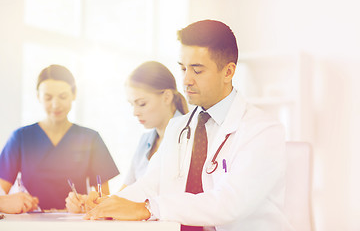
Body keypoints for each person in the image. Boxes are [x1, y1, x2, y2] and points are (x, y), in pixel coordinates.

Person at [83, 20, 291, 231]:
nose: (186, 80)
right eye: (183, 68)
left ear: (228, 72)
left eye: (197, 71)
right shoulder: (178, 128)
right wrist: (105, 205)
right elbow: (150, 185)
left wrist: (149, 208)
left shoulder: (263, 131)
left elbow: (229, 203)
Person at [65, 61, 189, 213]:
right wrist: (92, 204)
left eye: (142, 104)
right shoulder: (145, 141)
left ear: (167, 96)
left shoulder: (190, 136)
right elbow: (124, 195)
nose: (135, 112)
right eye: (132, 105)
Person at [0, 64, 119, 212]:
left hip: (75, 222)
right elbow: (1, 195)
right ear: (38, 97)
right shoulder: (20, 138)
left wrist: (88, 205)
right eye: (48, 97)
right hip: (29, 223)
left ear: (74, 95)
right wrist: (8, 202)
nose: (55, 104)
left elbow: (105, 201)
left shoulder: (91, 138)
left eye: (63, 96)